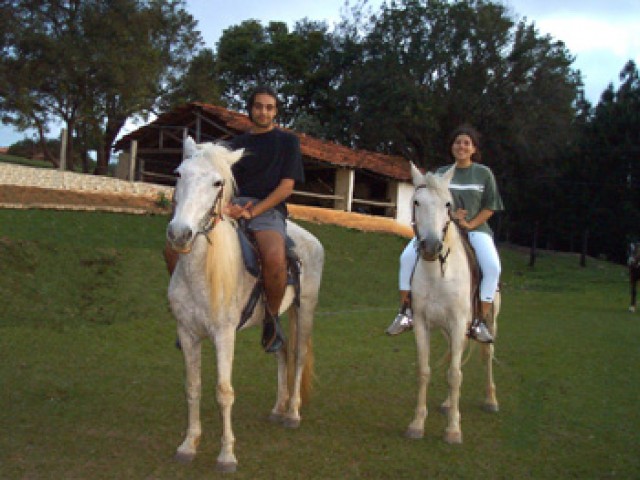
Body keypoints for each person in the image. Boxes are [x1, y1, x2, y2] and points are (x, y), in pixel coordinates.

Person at [386, 124, 504, 343]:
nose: (461, 146)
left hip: (476, 230)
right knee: (406, 258)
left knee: (492, 267)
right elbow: (433, 203)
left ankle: (479, 320)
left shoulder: (483, 173)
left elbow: (490, 206)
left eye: (466, 143)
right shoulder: (440, 174)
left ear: (474, 148)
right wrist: (449, 215)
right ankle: (405, 312)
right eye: (458, 142)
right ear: (452, 147)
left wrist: (469, 224)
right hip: (440, 230)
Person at [223, 85, 305, 353]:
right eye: (258, 106)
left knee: (274, 258)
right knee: (189, 245)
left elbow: (286, 187)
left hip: (268, 209)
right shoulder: (234, 144)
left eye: (269, 107)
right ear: (250, 109)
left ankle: (271, 318)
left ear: (276, 112)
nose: (263, 111)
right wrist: (228, 207)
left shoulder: (287, 142)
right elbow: (222, 181)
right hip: (232, 205)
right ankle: (188, 314)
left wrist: (252, 212)